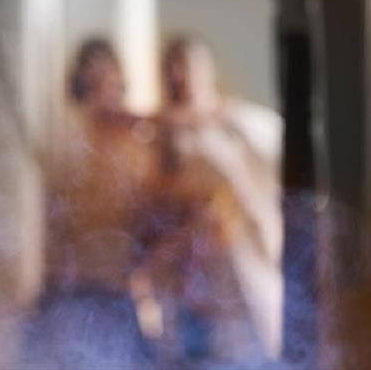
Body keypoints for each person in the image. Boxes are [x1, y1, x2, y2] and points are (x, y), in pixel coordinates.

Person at [140, 35, 284, 367]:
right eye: (171, 67)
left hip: (236, 259)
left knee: (246, 349)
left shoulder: (240, 124)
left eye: (187, 65)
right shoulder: (161, 136)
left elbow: (267, 172)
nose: (180, 75)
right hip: (186, 268)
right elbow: (153, 200)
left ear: (207, 69)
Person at [21, 38, 157, 370]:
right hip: (65, 292)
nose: (100, 90)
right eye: (91, 80)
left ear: (119, 81)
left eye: (106, 78)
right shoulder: (63, 137)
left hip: (115, 291)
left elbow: (148, 218)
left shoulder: (137, 145)